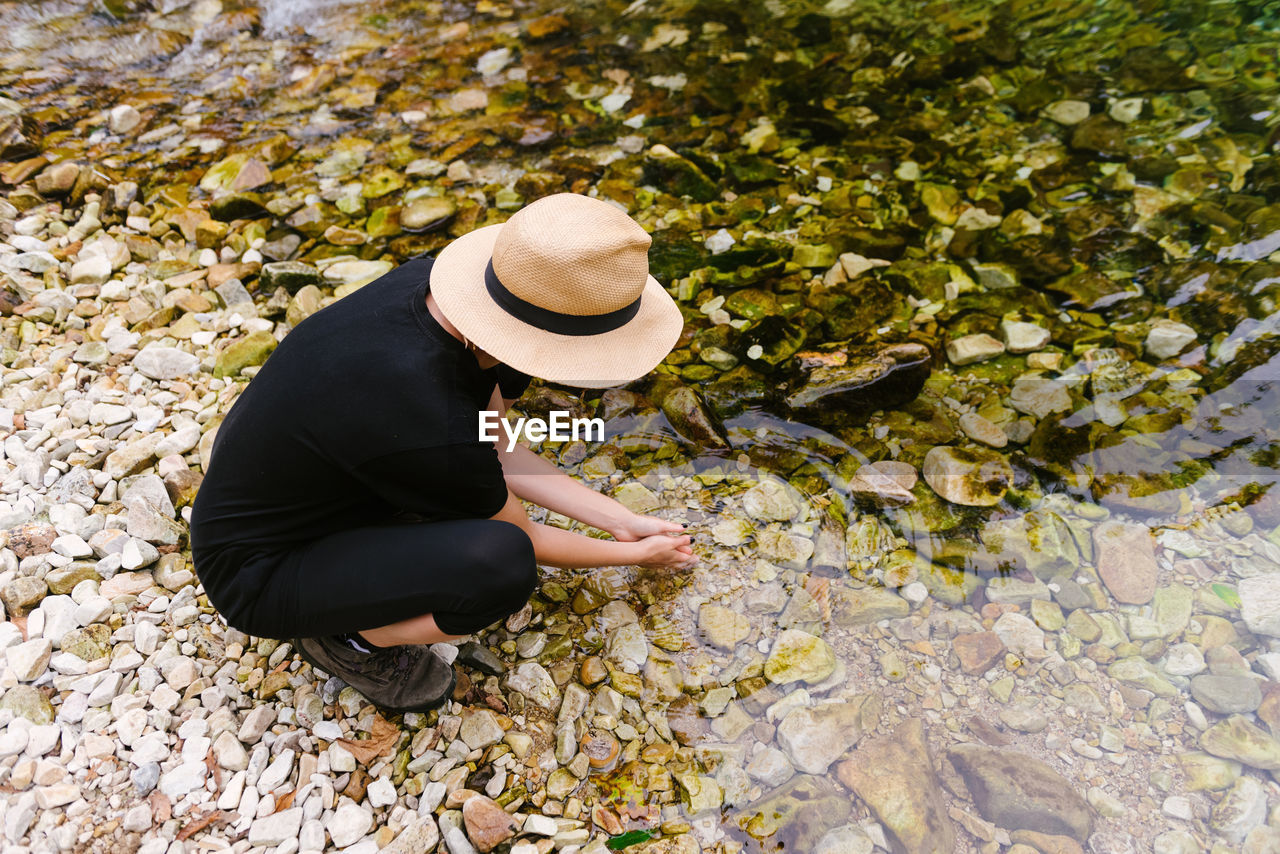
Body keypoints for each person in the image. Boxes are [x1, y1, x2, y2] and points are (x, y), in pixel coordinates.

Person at [190, 193, 696, 712]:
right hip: (260, 572)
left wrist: (618, 518)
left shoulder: (440, 292)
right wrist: (635, 554)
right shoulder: (429, 415)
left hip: (323, 495)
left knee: (475, 504)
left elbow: (497, 445)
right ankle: (353, 640)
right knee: (502, 566)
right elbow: (524, 536)